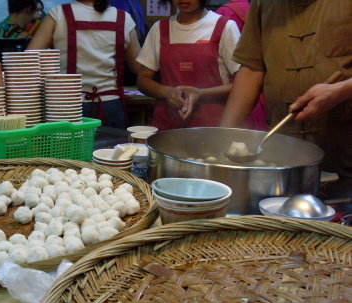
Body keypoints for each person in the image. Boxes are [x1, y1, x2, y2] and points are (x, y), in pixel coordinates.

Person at [220, 0, 352, 178]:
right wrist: (221, 138)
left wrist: (340, 91)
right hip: (281, 150)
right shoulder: (264, 4)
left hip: (344, 149)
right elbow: (252, 70)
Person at [27, 0, 141, 130]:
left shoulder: (59, 14)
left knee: (70, 151)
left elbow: (30, 60)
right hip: (111, 106)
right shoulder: (123, 18)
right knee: (110, 150)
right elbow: (138, 67)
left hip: (68, 107)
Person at [136, 0, 240, 131]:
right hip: (168, 127)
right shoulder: (159, 28)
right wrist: (167, 92)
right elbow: (143, 80)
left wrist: (201, 93)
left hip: (211, 127)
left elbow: (242, 84)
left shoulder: (225, 27)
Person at [215, 0, 267, 131]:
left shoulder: (226, 14)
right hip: (256, 100)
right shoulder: (255, 6)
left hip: (238, 101)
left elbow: (248, 71)